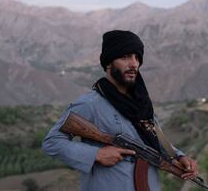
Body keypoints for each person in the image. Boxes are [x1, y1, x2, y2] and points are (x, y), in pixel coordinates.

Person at [42, 30, 198, 191]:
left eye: (137, 58)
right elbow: (52, 142)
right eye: (125, 57)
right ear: (109, 63)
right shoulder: (89, 104)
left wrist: (180, 156)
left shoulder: (142, 104)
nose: (134, 64)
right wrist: (96, 154)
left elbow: (152, 140)